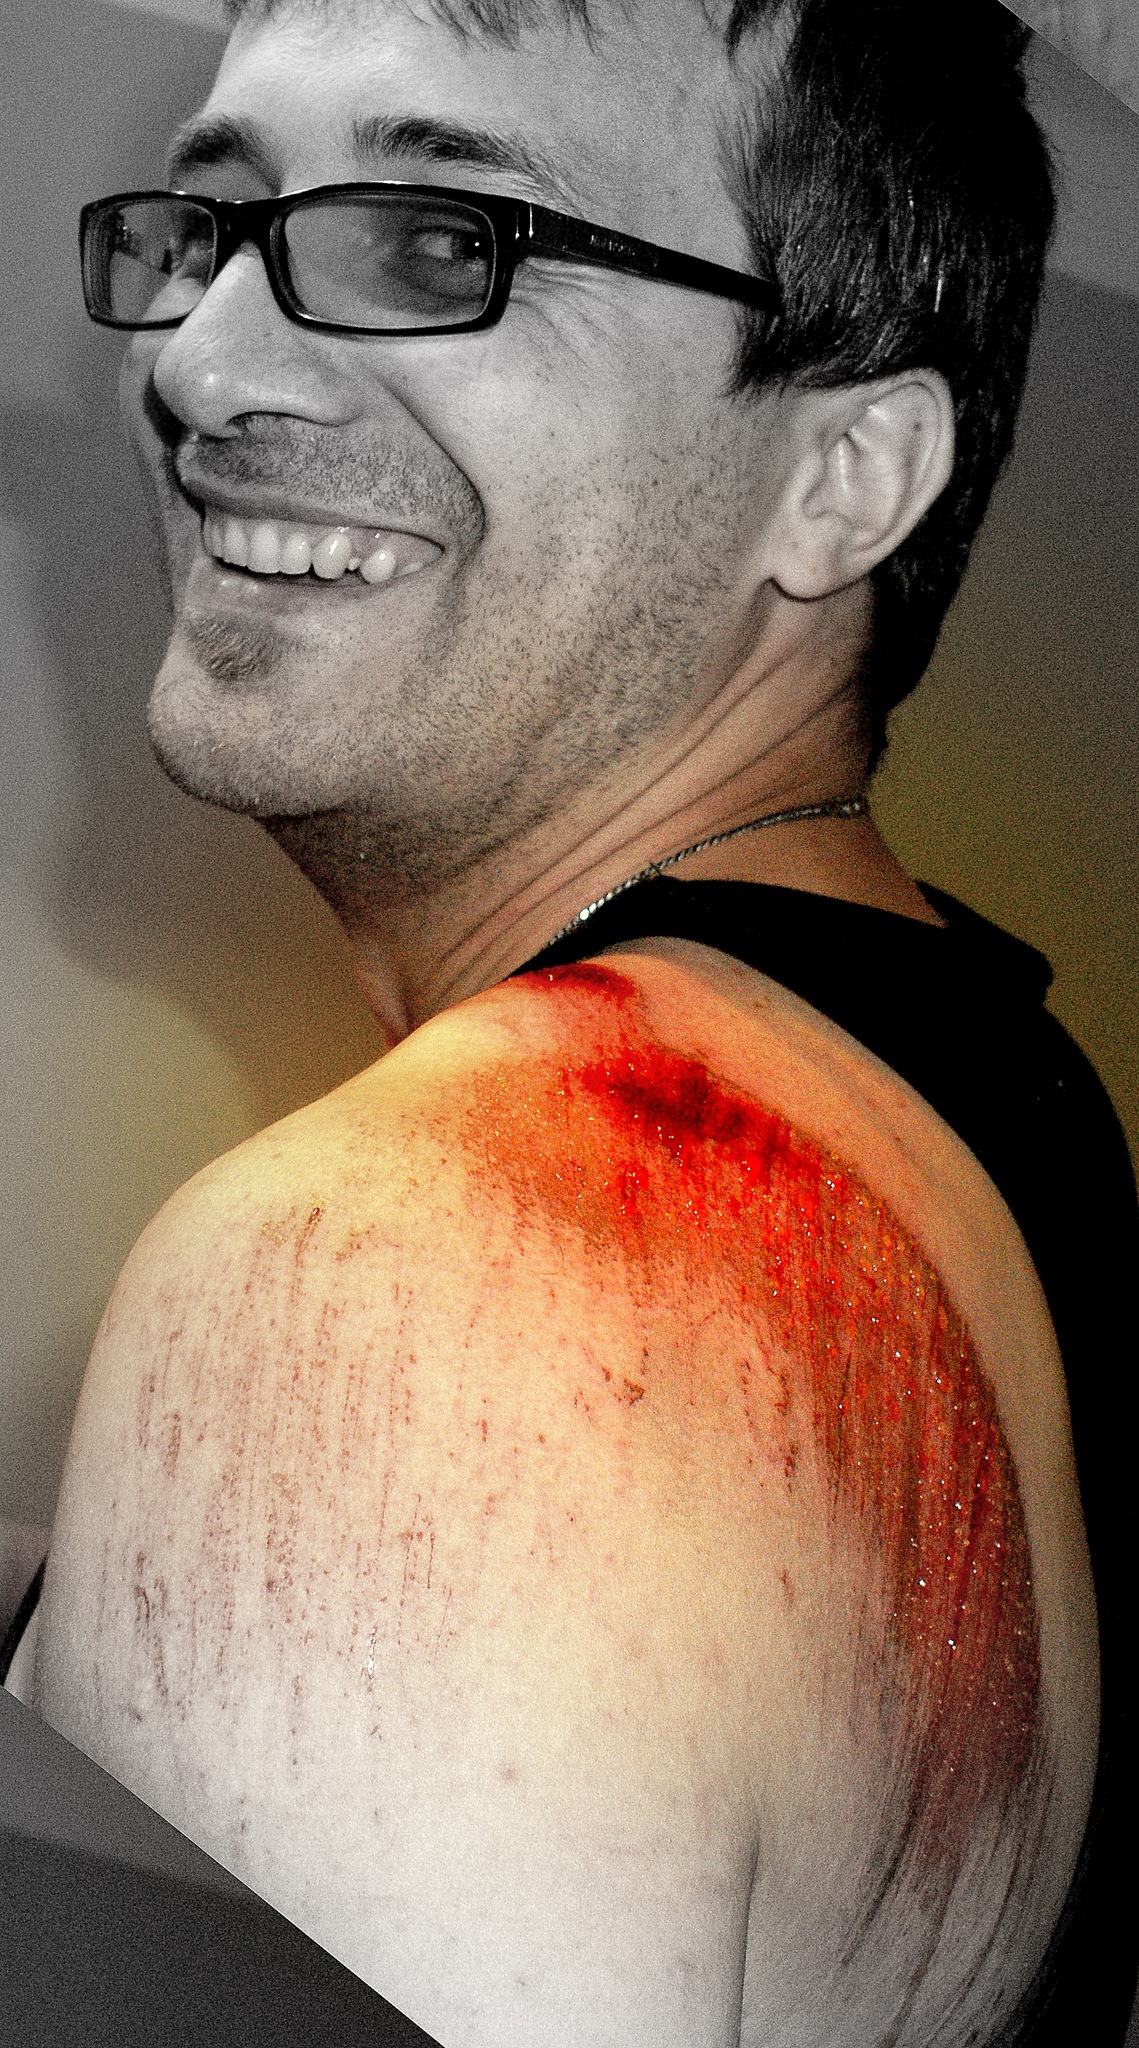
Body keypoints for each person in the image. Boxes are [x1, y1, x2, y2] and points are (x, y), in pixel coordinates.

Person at [7, 0, 1135, 2040]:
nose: (196, 364)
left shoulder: (423, 1274)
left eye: (445, 240)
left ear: (845, 476)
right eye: (214, 221)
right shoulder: (988, 1084)